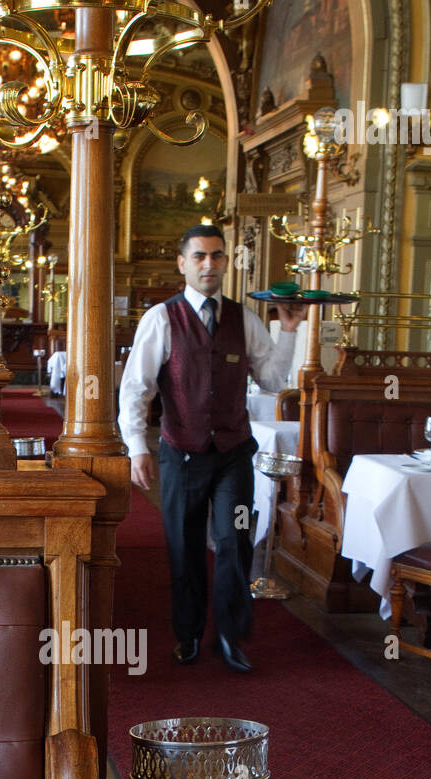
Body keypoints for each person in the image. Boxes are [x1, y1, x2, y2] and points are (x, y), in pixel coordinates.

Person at [118, 224, 306, 672]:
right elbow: (136, 388)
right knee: (184, 548)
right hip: (180, 453)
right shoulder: (162, 318)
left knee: (234, 542)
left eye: (217, 256)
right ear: (182, 264)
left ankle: (229, 634)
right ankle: (187, 635)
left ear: (226, 263)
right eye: (200, 256)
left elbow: (273, 381)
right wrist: (135, 447)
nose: (209, 264)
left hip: (233, 455)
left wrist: (289, 331)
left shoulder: (244, 318)